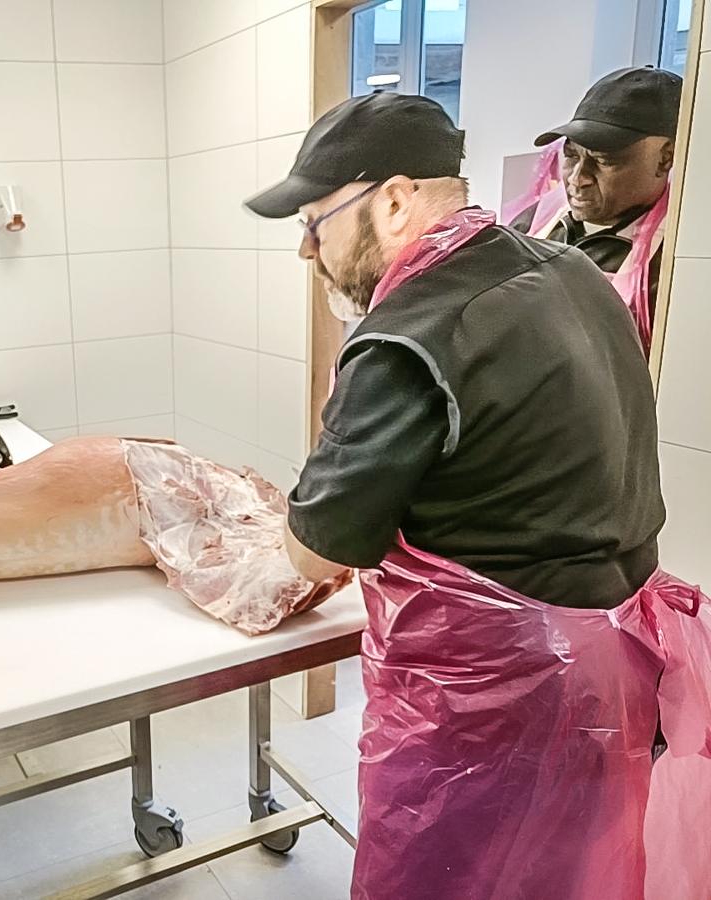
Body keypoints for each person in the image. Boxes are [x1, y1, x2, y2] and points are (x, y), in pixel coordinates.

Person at [246, 92, 709, 899]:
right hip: (613, 673)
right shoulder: (570, 270)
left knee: (448, 878)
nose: (306, 251)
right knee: (567, 875)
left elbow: (318, 546)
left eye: (314, 222)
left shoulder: (406, 336)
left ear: (390, 200)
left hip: (490, 707)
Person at [510, 66, 682, 350]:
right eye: (571, 155)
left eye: (603, 161)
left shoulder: (672, 263)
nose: (578, 177)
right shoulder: (532, 226)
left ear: (665, 158)